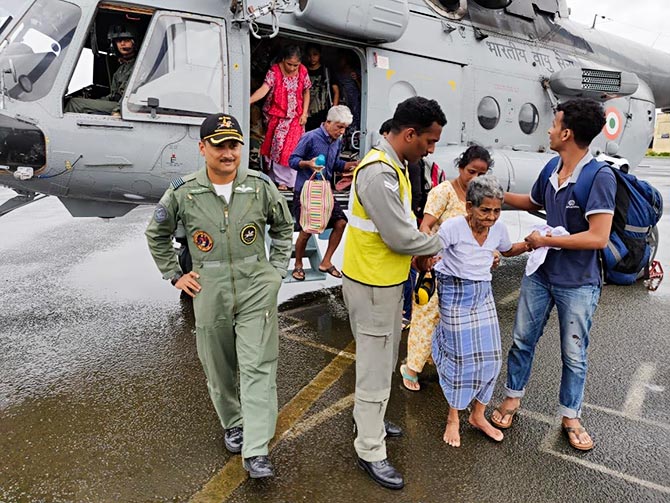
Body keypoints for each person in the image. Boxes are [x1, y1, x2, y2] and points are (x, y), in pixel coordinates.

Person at [145, 113, 294, 478]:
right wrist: (175, 276)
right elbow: (156, 233)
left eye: (234, 145)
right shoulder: (184, 191)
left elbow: (284, 226)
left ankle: (256, 448)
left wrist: (275, 271)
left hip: (256, 283)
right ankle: (234, 423)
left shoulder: (259, 186)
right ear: (203, 148)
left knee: (258, 364)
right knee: (218, 363)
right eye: (219, 145)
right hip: (209, 286)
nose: (228, 153)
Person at [491, 99, 615, 452]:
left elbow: (598, 236)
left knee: (574, 354)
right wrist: (491, 194)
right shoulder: (552, 166)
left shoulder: (598, 176)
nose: (548, 129)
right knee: (521, 340)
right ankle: (513, 398)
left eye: (553, 123)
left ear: (567, 132)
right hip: (542, 274)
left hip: (578, 283)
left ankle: (570, 416)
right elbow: (532, 203)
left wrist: (543, 239)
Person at [341, 96, 446, 490]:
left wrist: (417, 254)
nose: (431, 149)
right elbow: (401, 235)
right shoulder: (379, 173)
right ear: (409, 134)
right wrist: (438, 244)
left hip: (381, 279)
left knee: (383, 361)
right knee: (373, 368)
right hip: (372, 284)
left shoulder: (396, 165)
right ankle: (370, 448)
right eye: (429, 141)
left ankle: (372, 417)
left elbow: (402, 228)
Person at [432, 175, 528, 447]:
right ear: (469, 207)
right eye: (485, 210)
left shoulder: (497, 230)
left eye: (496, 211)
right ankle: (453, 417)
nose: (491, 217)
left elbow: (507, 251)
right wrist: (425, 261)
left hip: (482, 294)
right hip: (453, 293)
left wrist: (536, 242)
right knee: (461, 360)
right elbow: (429, 251)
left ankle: (477, 415)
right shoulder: (452, 228)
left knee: (491, 358)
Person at [401, 145, 493, 391]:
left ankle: (442, 364)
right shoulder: (444, 191)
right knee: (426, 316)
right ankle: (411, 368)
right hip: (438, 269)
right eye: (471, 171)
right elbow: (426, 225)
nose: (475, 178)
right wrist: (425, 256)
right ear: (461, 167)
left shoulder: (481, 199)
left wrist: (492, 253)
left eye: (481, 174)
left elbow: (486, 230)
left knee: (454, 322)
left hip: (466, 274)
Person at [289, 105, 357, 280]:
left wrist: (351, 165)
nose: (341, 131)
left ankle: (326, 261)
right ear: (328, 122)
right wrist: (308, 164)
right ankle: (298, 265)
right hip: (306, 191)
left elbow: (333, 165)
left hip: (324, 192)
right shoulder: (310, 137)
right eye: (339, 127)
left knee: (341, 222)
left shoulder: (337, 141)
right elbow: (292, 160)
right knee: (306, 230)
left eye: (344, 128)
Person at [250, 45, 312, 190]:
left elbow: (306, 92)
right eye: (289, 64)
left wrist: (304, 113)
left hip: (297, 117)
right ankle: (279, 180)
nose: (292, 68)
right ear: (283, 60)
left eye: (295, 65)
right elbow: (264, 89)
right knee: (277, 147)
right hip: (277, 116)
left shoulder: (303, 70)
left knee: (293, 149)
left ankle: (290, 182)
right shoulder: (274, 71)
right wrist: (249, 101)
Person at [65, 26, 137, 114]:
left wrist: (118, 110)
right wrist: (95, 101)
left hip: (126, 107)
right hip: (118, 104)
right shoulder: (120, 70)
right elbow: (113, 96)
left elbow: (132, 96)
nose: (122, 44)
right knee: (75, 100)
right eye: (118, 41)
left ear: (134, 43)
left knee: (75, 104)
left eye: (126, 40)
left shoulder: (139, 66)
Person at [304, 44, 340, 131]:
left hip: (323, 112)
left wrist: (333, 112)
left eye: (315, 54)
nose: (312, 57)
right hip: (306, 112)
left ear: (320, 55)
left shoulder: (326, 70)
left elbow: (336, 91)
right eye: (309, 55)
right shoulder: (303, 70)